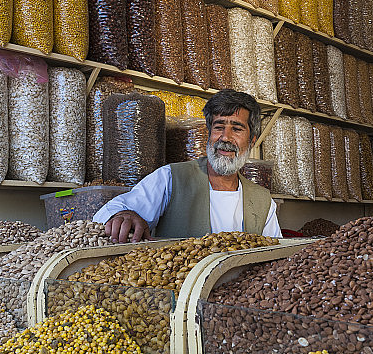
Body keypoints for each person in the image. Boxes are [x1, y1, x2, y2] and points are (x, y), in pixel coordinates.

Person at [93, 89, 282, 243]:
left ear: (252, 141)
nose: (225, 137)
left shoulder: (263, 201)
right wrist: (123, 215)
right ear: (208, 134)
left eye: (237, 129)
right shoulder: (171, 178)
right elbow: (109, 211)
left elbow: (277, 255)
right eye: (218, 127)